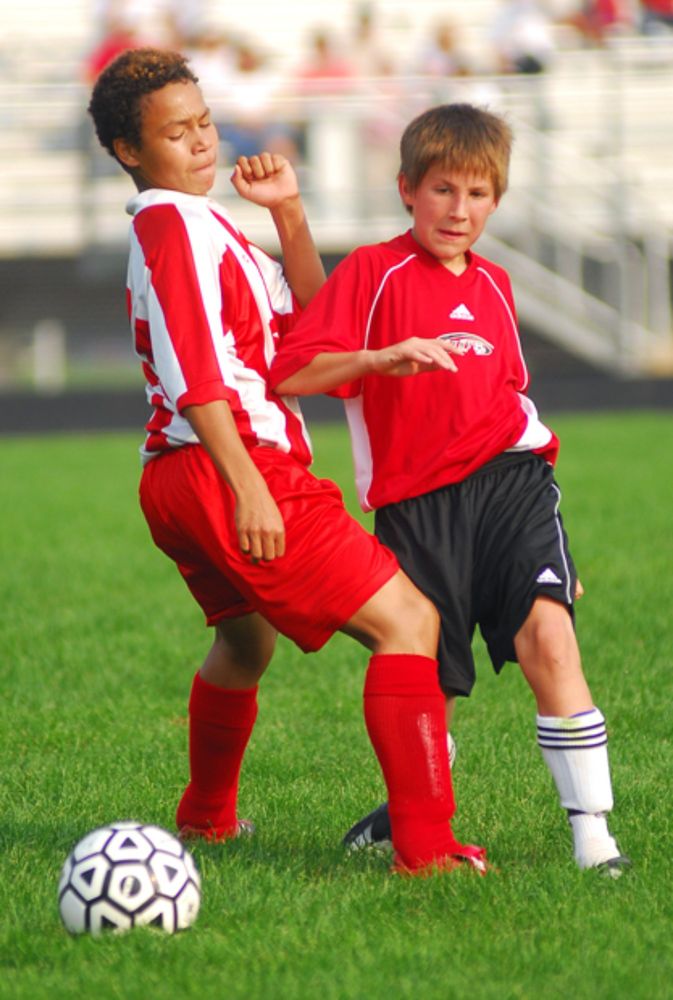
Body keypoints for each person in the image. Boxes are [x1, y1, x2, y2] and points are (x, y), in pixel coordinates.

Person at [86, 49, 488, 877]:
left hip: (176, 472)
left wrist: (289, 213)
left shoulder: (209, 226)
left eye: (205, 123)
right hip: (229, 463)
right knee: (409, 624)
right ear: (130, 152)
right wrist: (248, 489)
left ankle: (205, 822)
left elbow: (317, 325)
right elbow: (198, 369)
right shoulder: (169, 223)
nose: (202, 143)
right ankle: (425, 852)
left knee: (245, 642)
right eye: (176, 132)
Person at [270, 103, 630, 876]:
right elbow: (294, 371)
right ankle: (409, 811)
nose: (457, 211)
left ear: (495, 201)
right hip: (416, 506)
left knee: (549, 639)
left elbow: (505, 395)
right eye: (441, 190)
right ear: (406, 188)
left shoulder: (498, 284)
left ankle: (593, 841)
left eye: (475, 195)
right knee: (430, 685)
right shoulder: (373, 272)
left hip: (513, 485)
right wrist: (375, 361)